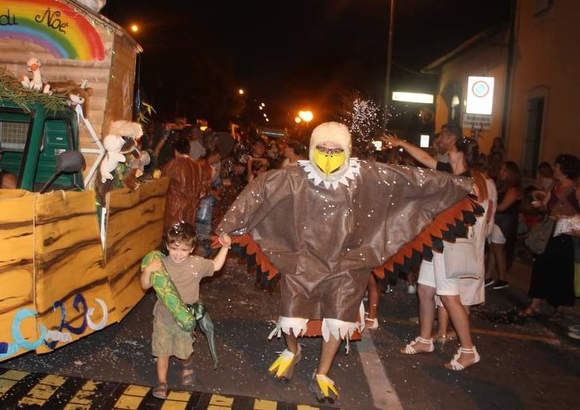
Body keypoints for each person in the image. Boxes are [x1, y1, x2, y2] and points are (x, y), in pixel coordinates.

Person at [219, 122, 475, 402]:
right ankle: (292, 350)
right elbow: (259, 192)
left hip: (347, 264)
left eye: (336, 149)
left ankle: (323, 373)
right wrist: (227, 227)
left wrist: (458, 185)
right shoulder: (293, 177)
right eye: (323, 148)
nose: (329, 154)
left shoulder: (365, 175)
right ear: (313, 148)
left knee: (338, 321)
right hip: (302, 261)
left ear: (347, 150)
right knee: (290, 316)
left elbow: (412, 181)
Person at [382, 133, 483, 370]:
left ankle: (469, 350)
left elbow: (476, 203)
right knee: (425, 290)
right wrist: (401, 143)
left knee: (449, 297)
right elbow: (425, 158)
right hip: (435, 242)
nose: (446, 148)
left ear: (457, 152)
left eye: (450, 146)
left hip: (449, 244)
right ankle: (425, 340)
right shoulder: (449, 171)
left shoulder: (469, 181)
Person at [140, 222, 232, 399]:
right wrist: (147, 272)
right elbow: (144, 285)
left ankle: (187, 364)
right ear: (167, 246)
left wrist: (225, 247)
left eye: (183, 249)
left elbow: (216, 266)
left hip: (185, 317)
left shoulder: (196, 264)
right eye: (174, 248)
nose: (178, 254)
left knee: (184, 351)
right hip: (163, 316)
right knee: (162, 350)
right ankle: (161, 382)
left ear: (192, 249)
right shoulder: (160, 264)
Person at [519, 153, 580, 318]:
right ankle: (535, 303)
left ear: (564, 168)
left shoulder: (576, 189)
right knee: (540, 266)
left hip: (566, 234)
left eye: (557, 166)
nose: (554, 168)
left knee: (561, 270)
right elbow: (545, 207)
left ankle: (559, 306)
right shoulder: (554, 185)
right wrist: (539, 205)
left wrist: (565, 217)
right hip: (548, 233)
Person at [160, 137, 212, 230]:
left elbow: (161, 182)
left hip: (175, 209)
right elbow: (204, 187)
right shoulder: (197, 165)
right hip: (191, 209)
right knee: (186, 235)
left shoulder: (174, 163)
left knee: (173, 236)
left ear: (175, 150)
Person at [493, 161, 523, 274]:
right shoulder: (503, 186)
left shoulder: (513, 190)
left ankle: (502, 277)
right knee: (494, 249)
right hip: (500, 220)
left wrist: (487, 206)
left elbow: (502, 207)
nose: (501, 172)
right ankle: (490, 276)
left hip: (505, 222)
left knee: (498, 249)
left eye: (505, 170)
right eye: (501, 169)